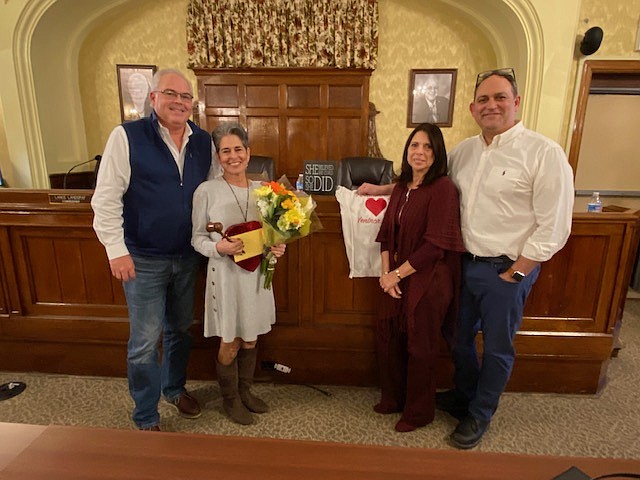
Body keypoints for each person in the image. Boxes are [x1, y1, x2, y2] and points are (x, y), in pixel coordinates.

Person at [358, 68, 574, 449]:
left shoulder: (544, 152)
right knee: (456, 341)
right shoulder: (465, 151)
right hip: (463, 266)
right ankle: (465, 395)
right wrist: (382, 187)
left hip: (505, 270)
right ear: (473, 108)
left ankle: (480, 413)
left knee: (496, 346)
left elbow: (555, 224)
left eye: (500, 97)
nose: (492, 105)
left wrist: (518, 271)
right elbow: (424, 177)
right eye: (484, 100)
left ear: (516, 102)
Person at [92, 68, 216, 431]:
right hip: (142, 258)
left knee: (180, 329)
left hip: (187, 254)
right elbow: (106, 198)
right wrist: (115, 248)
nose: (179, 102)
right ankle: (146, 415)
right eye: (171, 94)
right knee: (145, 341)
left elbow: (212, 196)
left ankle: (174, 389)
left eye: (186, 97)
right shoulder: (127, 136)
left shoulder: (203, 141)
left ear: (192, 103)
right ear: (153, 98)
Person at [191, 122, 286, 425]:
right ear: (218, 156)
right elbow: (196, 238)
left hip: (257, 278)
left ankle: (245, 392)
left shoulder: (265, 191)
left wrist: (277, 248)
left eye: (238, 149)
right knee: (230, 341)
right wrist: (218, 246)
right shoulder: (206, 191)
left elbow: (271, 235)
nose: (233, 156)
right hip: (227, 278)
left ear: (248, 152)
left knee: (251, 339)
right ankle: (230, 400)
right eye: (226, 151)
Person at [373, 123, 465, 433]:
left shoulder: (443, 189)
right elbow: (386, 235)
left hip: (430, 279)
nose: (420, 152)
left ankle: (419, 411)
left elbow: (435, 245)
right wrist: (388, 274)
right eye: (415, 145)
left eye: (427, 146)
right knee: (390, 338)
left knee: (420, 346)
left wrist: (396, 273)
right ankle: (394, 398)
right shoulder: (401, 187)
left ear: (437, 152)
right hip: (398, 276)